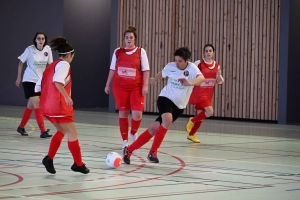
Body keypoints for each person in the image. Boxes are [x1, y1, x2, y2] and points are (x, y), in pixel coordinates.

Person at [123, 47, 205, 164]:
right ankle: (152, 152)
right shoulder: (171, 66)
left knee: (153, 128)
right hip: (165, 98)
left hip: (179, 106)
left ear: (187, 60)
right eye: (176, 60)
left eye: (180, 61)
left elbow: (202, 78)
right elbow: (162, 73)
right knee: (167, 120)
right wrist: (154, 80)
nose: (177, 63)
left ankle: (129, 150)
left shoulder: (192, 68)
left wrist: (190, 83)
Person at [35, 37, 90, 174]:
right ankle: (78, 164)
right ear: (70, 55)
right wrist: (66, 97)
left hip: (47, 106)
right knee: (73, 133)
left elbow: (38, 87)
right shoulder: (65, 65)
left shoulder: (51, 66)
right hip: (58, 105)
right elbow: (57, 81)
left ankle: (49, 158)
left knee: (62, 131)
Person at [105, 25, 150, 149]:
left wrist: (145, 85)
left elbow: (146, 70)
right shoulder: (118, 52)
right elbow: (112, 69)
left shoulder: (141, 52)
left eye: (131, 37)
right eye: (126, 37)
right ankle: (125, 141)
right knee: (123, 113)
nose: (129, 39)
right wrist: (107, 84)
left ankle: (133, 132)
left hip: (136, 87)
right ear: (124, 39)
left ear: (135, 39)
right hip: (120, 88)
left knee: (137, 115)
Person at [16, 32, 53, 138]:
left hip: (39, 81)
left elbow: (50, 66)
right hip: (29, 80)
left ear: (45, 40)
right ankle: (43, 131)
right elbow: (20, 62)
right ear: (35, 40)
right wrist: (19, 78)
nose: (41, 40)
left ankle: (21, 127)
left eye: (43, 38)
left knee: (30, 105)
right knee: (37, 104)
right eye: (38, 38)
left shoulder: (48, 50)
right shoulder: (30, 49)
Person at [186, 44, 224, 143]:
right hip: (199, 92)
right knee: (210, 112)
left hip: (208, 92)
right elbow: (189, 72)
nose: (208, 52)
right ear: (204, 53)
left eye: (210, 51)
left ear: (213, 52)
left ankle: (191, 134)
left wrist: (219, 75)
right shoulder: (199, 63)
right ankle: (192, 121)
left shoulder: (217, 65)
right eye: (206, 51)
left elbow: (219, 81)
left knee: (201, 115)